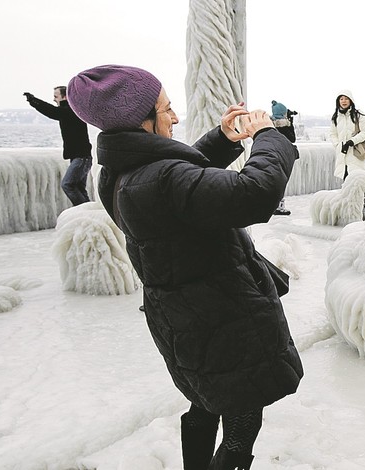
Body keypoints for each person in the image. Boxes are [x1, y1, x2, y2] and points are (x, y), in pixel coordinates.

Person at [67, 64, 303, 469]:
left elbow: (179, 183)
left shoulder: (118, 173)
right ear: (139, 121)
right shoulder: (160, 178)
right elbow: (254, 193)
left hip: (185, 320)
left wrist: (222, 140)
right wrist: (269, 136)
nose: (175, 117)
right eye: (166, 108)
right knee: (242, 422)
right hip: (224, 320)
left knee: (204, 401)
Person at [23, 86, 93, 205]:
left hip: (81, 158)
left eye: (56, 96)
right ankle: (87, 212)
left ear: (65, 97)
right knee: (79, 188)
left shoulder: (70, 111)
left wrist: (34, 101)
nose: (54, 99)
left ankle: (84, 211)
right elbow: (54, 111)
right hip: (81, 157)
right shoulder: (71, 110)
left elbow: (52, 111)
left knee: (67, 185)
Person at [329, 90, 365, 181]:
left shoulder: (359, 115)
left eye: (346, 99)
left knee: (356, 179)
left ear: (351, 100)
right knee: (345, 179)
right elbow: (333, 134)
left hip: (355, 152)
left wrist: (352, 141)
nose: (343, 101)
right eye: (341, 99)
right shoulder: (336, 117)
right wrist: (337, 145)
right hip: (342, 153)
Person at [270, 100, 300, 216]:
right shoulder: (284, 125)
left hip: (271, 155)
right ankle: (279, 206)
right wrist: (290, 123)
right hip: (282, 156)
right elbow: (292, 139)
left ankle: (273, 205)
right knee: (281, 181)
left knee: (273, 181)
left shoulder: (270, 124)